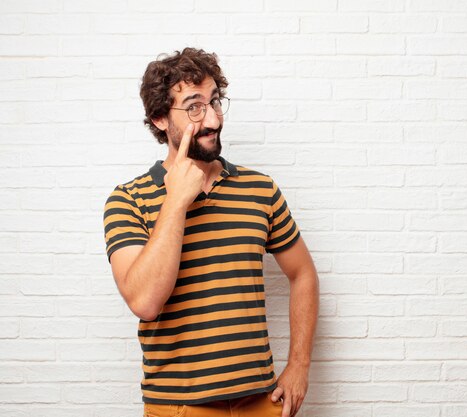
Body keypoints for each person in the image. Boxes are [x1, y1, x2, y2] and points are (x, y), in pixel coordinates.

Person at [102, 47, 319, 417]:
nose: (214, 120)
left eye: (215, 102)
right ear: (158, 117)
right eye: (194, 107)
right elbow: (144, 302)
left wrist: (299, 366)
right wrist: (176, 202)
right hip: (179, 408)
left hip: (261, 403)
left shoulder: (260, 189)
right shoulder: (128, 200)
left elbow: (303, 274)